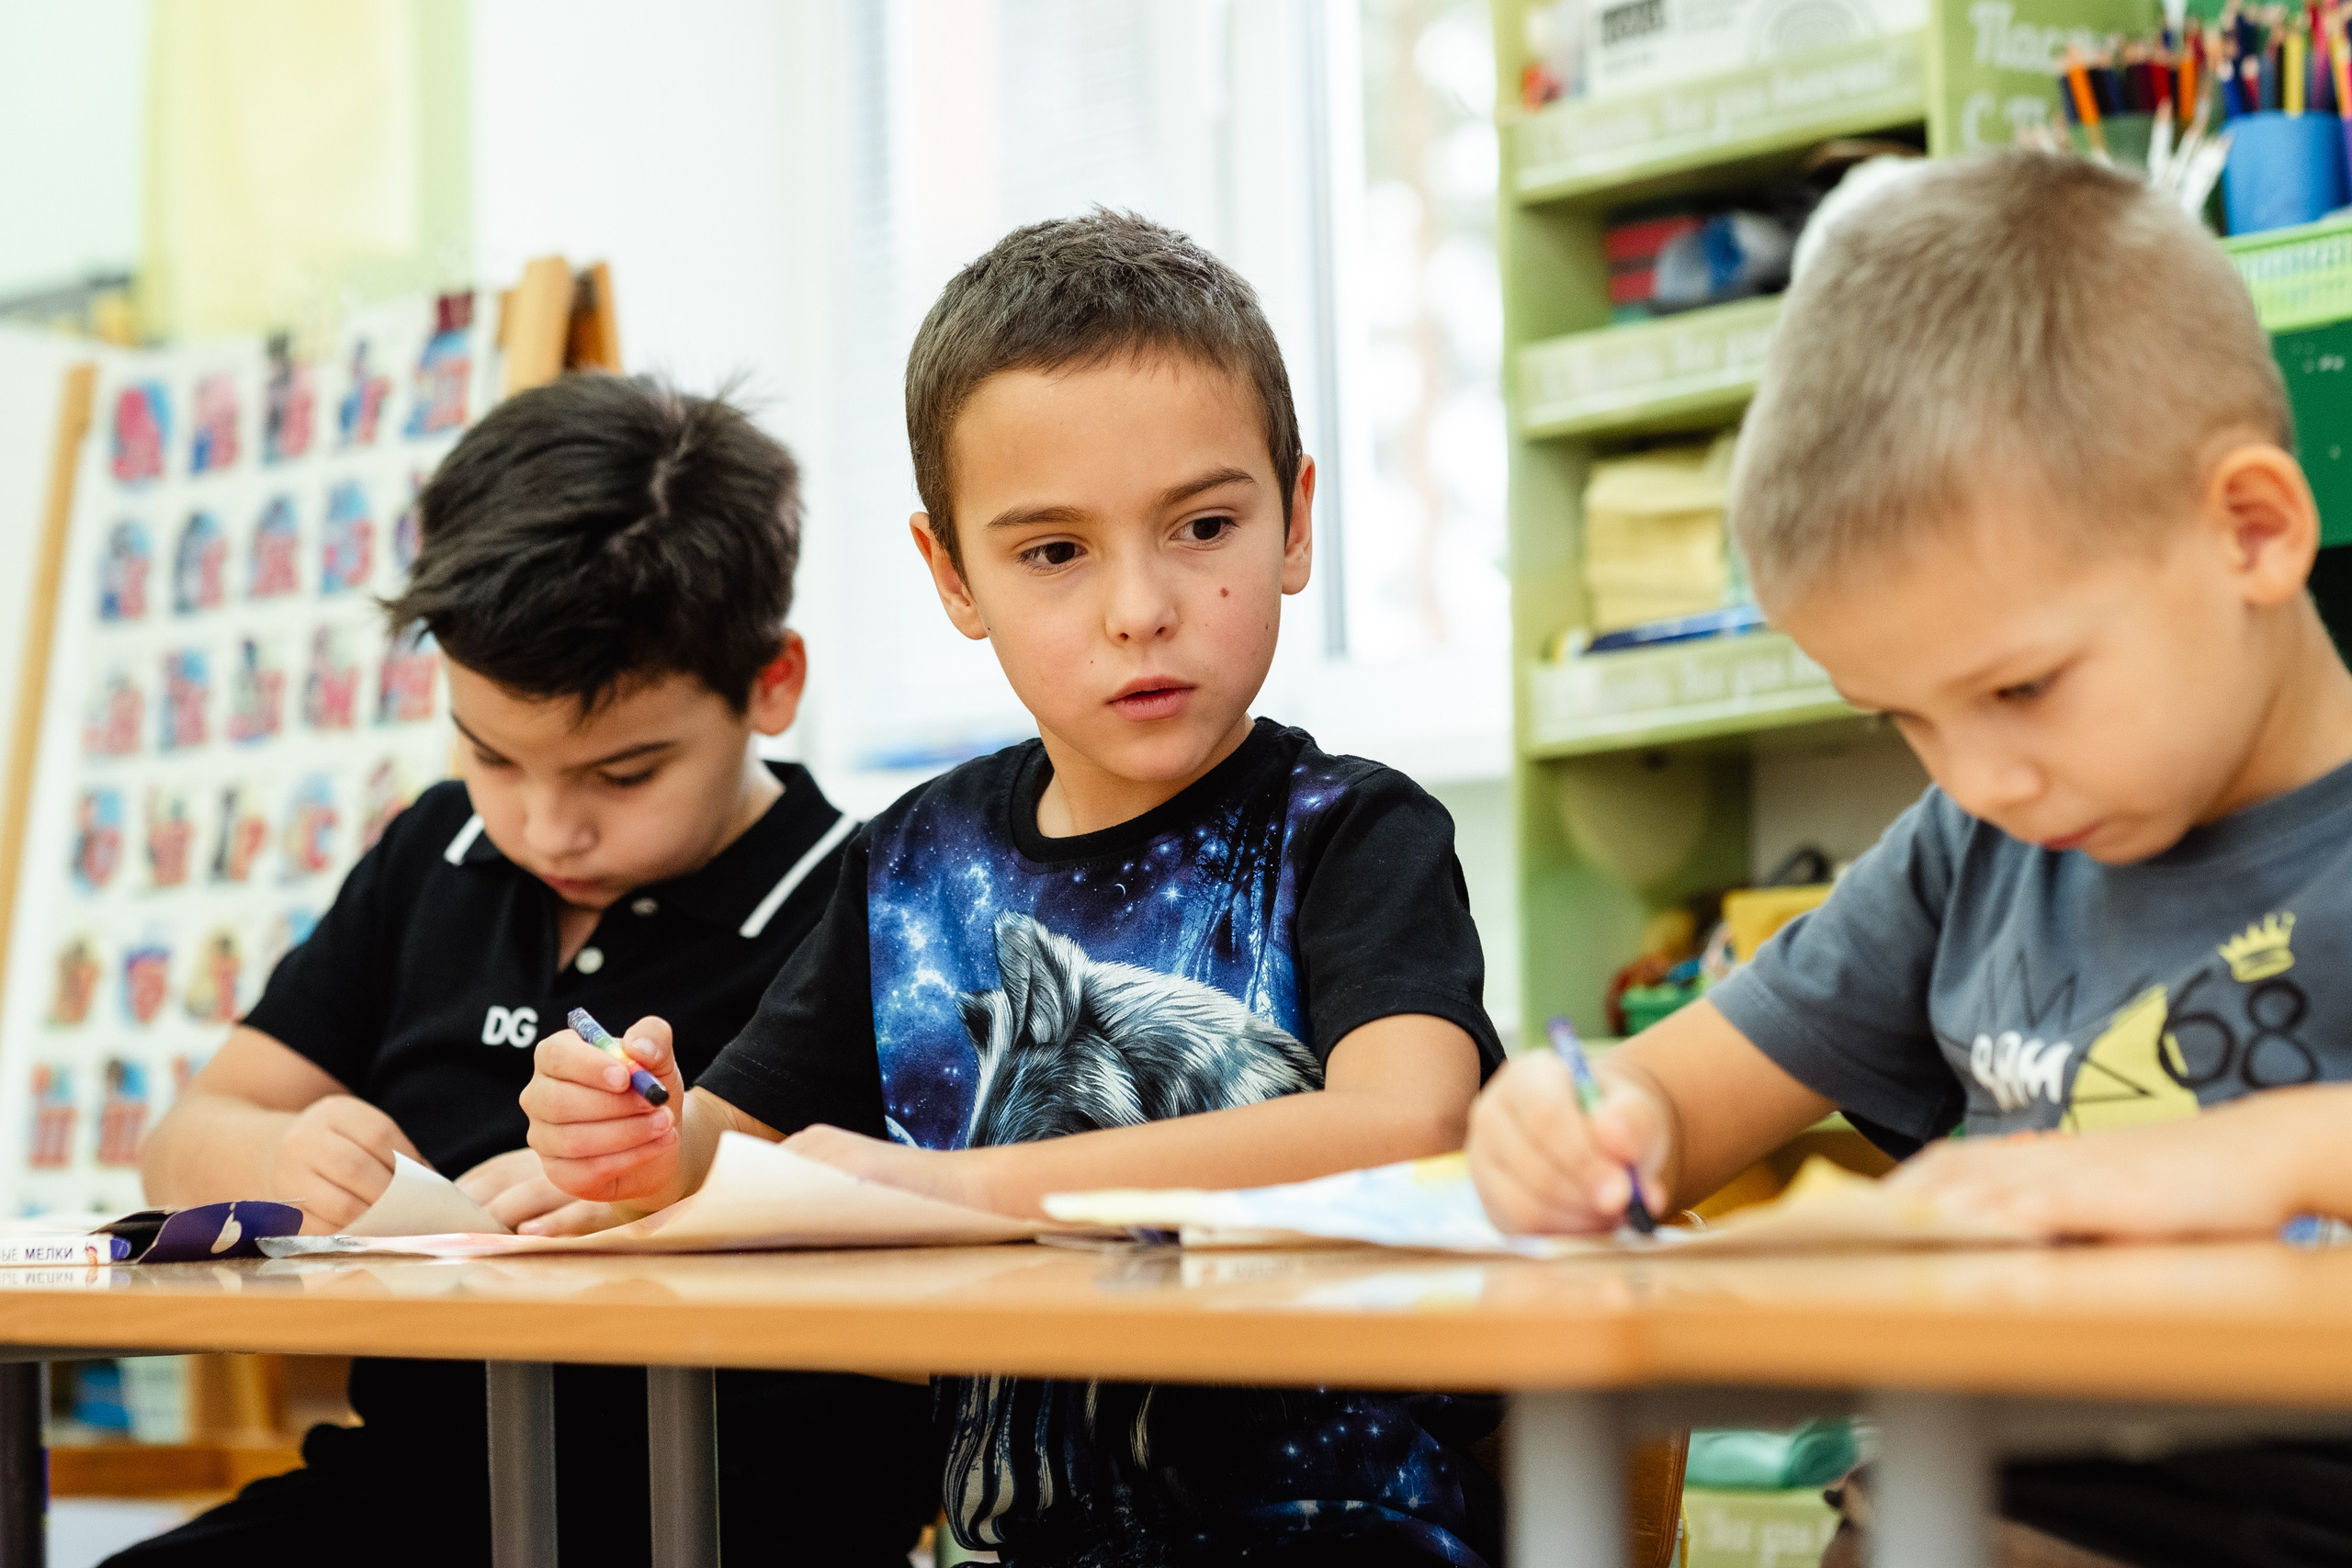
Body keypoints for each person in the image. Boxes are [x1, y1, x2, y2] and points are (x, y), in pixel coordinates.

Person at [521, 211, 1508, 1565]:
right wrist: (635, 1141)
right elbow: (727, 1160)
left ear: (1297, 521)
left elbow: (1402, 1123)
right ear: (953, 576)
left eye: (1204, 524)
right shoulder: (911, 863)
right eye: (1054, 552)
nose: (1140, 608)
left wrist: (953, 1191)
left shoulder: (1353, 832)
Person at [1466, 151, 2352, 1568]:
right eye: (1906, 719)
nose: (1977, 778)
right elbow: (1674, 1099)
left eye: (2019, 691)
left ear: (2251, 530)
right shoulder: (1977, 849)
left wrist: (2269, 1157)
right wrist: (1582, 1119)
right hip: (1942, 1516)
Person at [130, 375, 934, 1568]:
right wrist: (282, 1163)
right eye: (492, 755)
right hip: (417, 1488)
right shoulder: (435, 853)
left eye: (623, 776)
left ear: (772, 683)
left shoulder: (870, 899)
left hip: (742, 1514)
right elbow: (182, 1139)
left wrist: (661, 1197)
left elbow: (943, 1253)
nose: (547, 827)